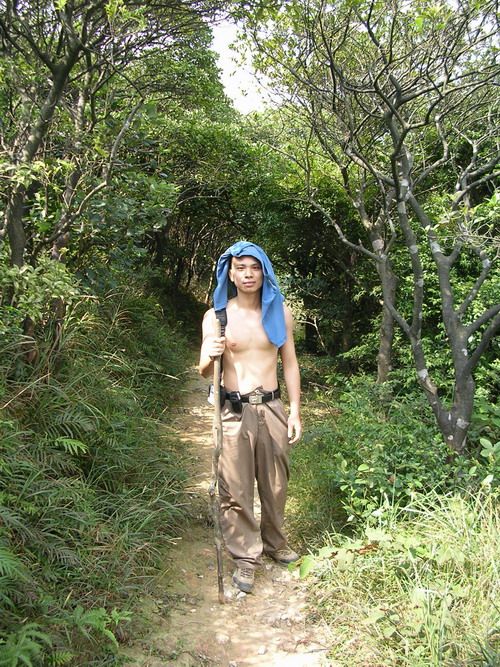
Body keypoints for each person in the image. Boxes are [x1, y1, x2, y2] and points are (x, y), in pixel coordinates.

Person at [198, 241, 302, 593]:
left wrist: (295, 411)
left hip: (272, 406)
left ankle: (275, 542)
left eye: (254, 267)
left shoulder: (280, 313)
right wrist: (210, 354)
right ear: (230, 274)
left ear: (264, 271)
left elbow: (290, 363)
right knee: (235, 485)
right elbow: (203, 370)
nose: (248, 274)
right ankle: (245, 556)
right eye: (240, 268)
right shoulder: (217, 317)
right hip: (233, 410)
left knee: (276, 483)